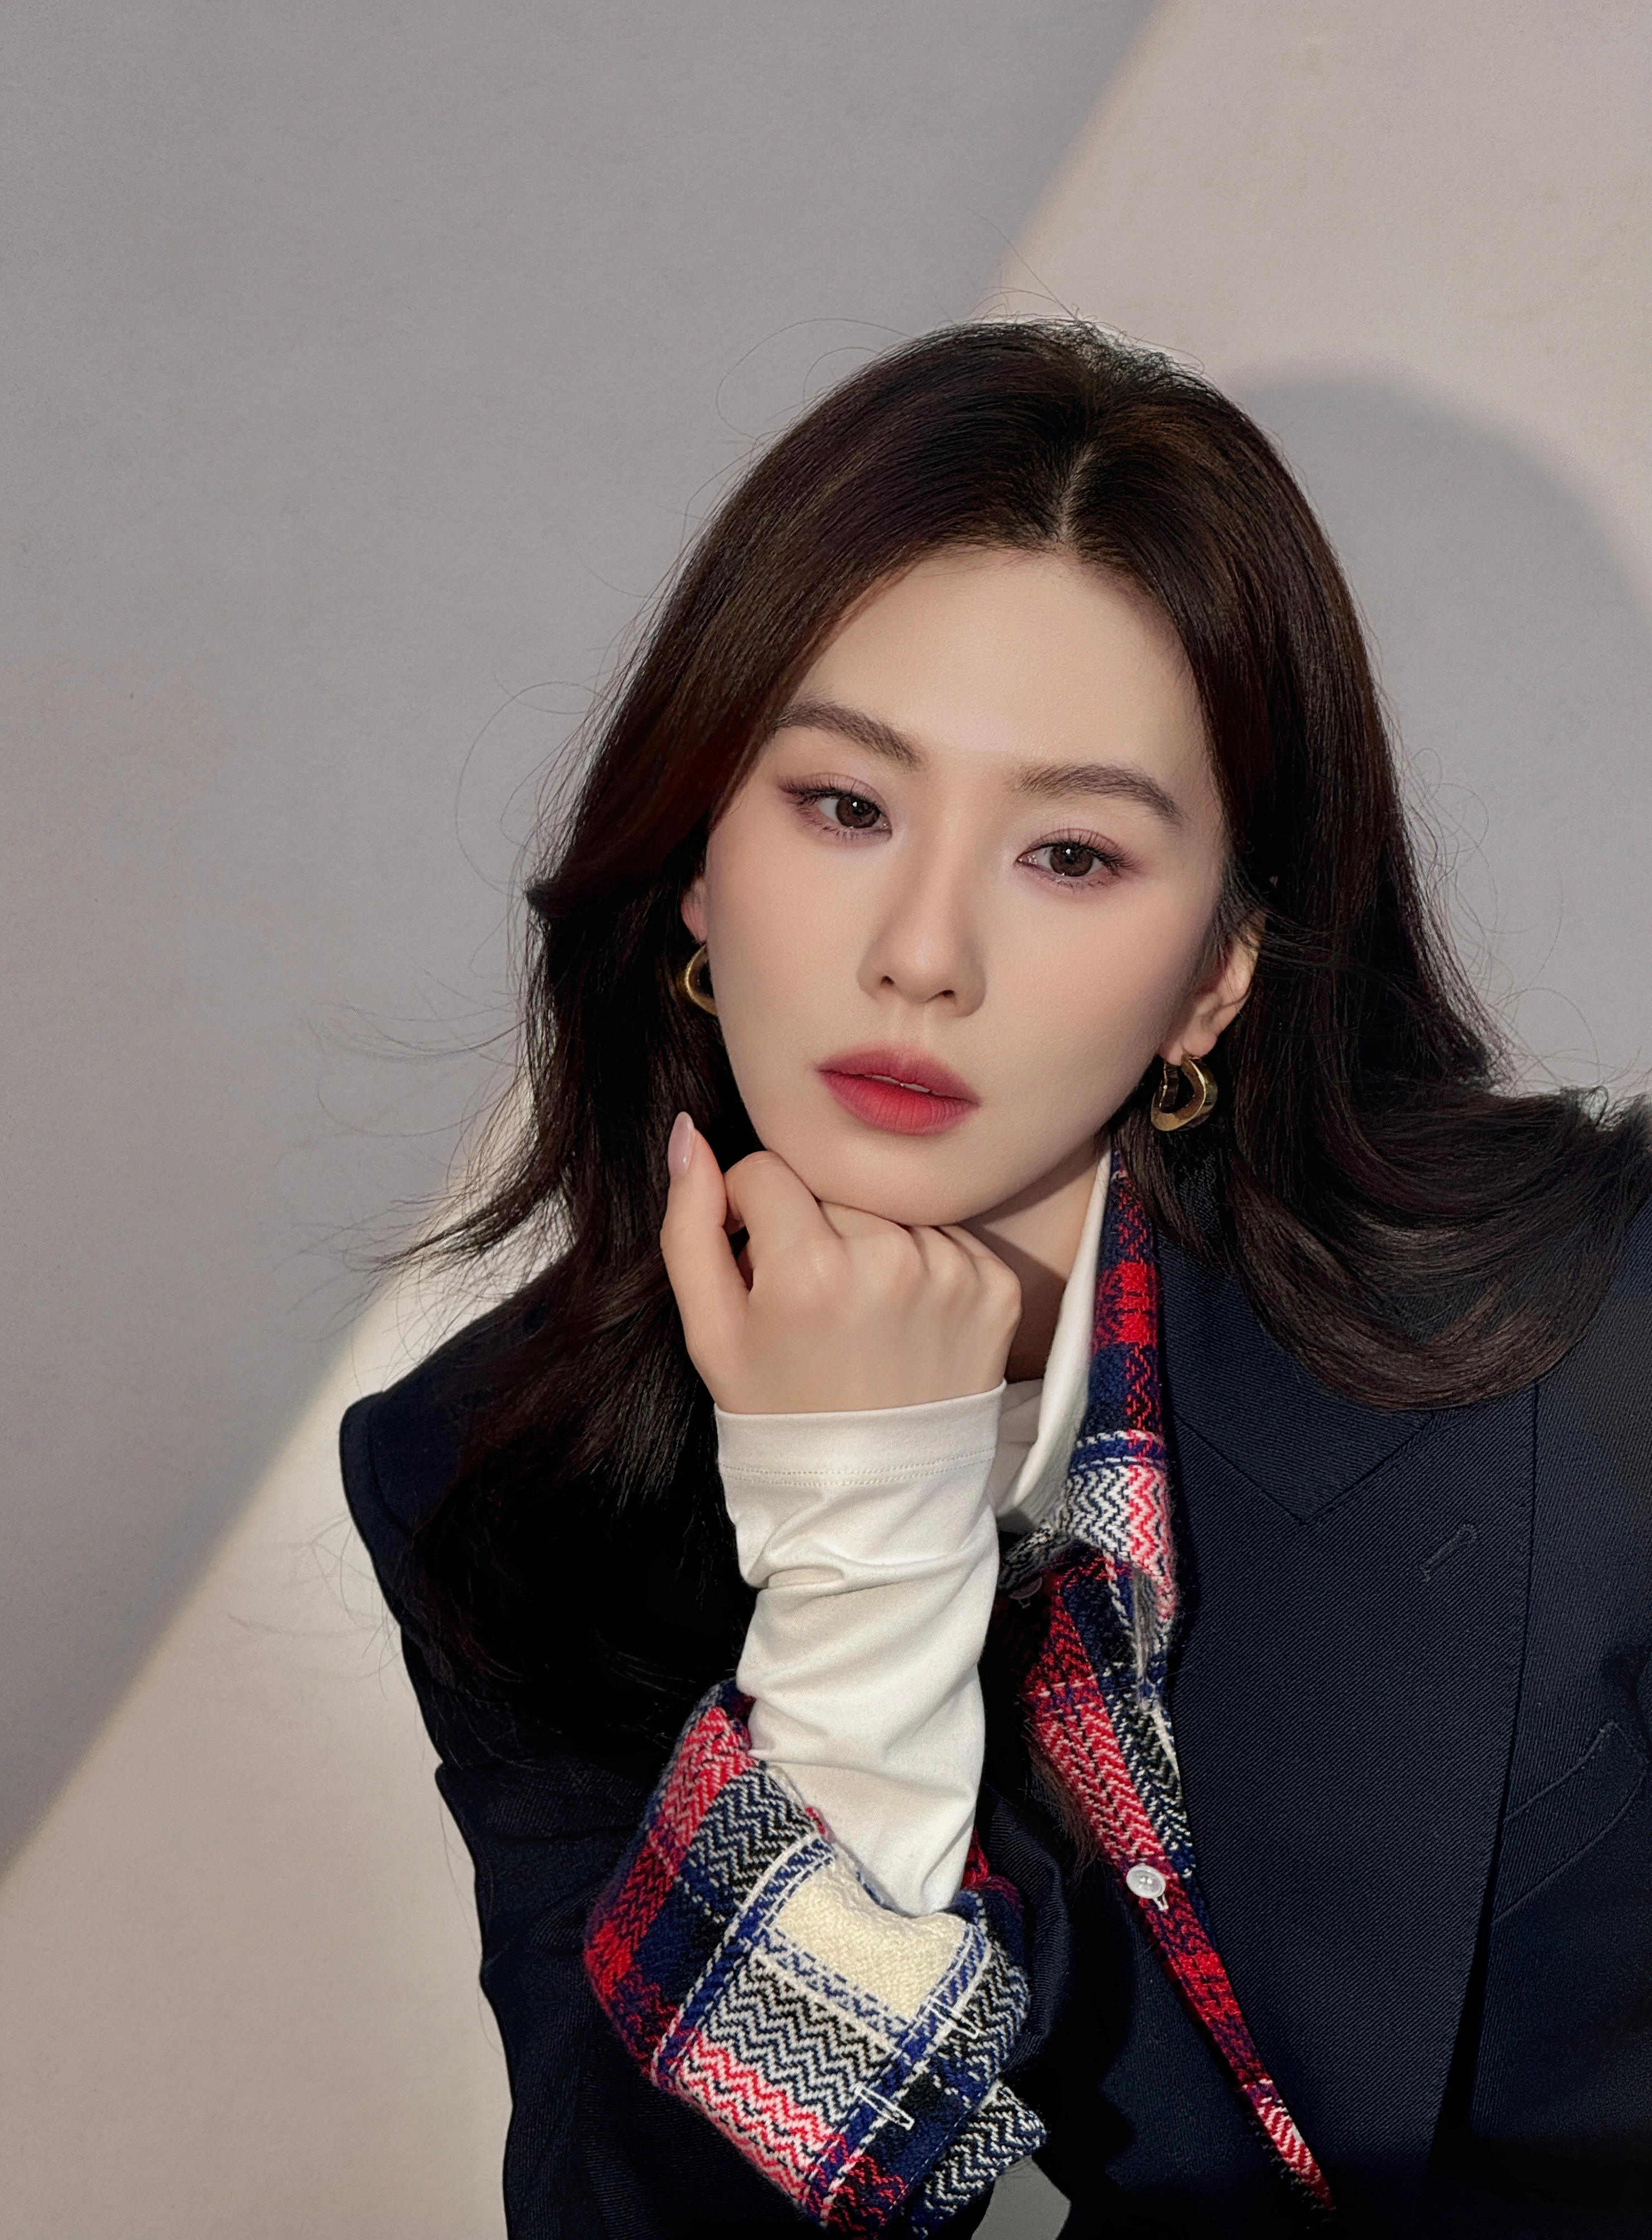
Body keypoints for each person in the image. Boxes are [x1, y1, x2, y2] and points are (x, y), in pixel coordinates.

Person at [338, 322, 1652, 2238]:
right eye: (845, 808)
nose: (924, 954)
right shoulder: (494, 1479)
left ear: (1220, 972)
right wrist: (857, 1552)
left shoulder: (1590, 1326)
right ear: (695, 863)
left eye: (1071, 854)